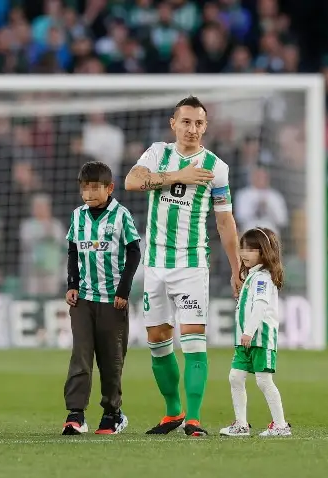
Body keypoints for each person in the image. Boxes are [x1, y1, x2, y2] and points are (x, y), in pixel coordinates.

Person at [124, 95, 241, 437]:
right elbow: (132, 181)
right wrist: (180, 175)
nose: (192, 129)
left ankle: (193, 418)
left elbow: (225, 222)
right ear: (173, 123)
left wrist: (236, 269)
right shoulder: (157, 152)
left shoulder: (217, 168)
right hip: (156, 265)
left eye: (199, 123)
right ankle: (173, 413)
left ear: (206, 127)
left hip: (191, 265)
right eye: (186, 122)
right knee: (158, 341)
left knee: (193, 341)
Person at [63, 161, 141, 435]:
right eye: (85, 188)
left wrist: (123, 291)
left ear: (110, 188)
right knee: (81, 356)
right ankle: (75, 414)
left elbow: (134, 253)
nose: (89, 194)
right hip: (83, 300)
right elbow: (73, 251)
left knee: (111, 360)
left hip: (112, 300)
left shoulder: (121, 215)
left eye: (95, 188)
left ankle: (112, 413)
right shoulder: (77, 216)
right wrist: (72, 284)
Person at [220, 227, 291, 437]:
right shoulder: (252, 276)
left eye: (250, 249)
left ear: (264, 251)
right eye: (243, 248)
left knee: (263, 380)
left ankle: (280, 425)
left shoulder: (262, 278)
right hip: (245, 340)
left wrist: (248, 332)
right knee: (235, 377)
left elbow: (260, 306)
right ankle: (241, 424)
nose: (244, 253)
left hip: (260, 338)